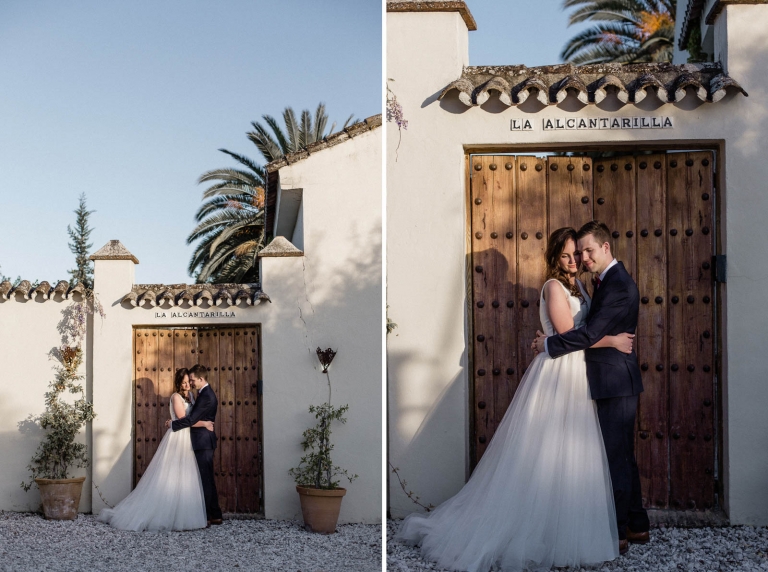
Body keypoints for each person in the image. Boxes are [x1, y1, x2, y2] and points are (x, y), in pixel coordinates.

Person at [397, 226, 633, 571]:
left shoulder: (581, 286)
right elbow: (570, 335)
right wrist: (610, 341)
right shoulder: (553, 287)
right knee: (545, 452)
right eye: (565, 255)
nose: (573, 261)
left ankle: (564, 529)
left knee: (570, 453)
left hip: (577, 374)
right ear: (555, 258)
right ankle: (529, 530)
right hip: (558, 373)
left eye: (576, 254)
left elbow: (586, 328)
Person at [534, 220, 651, 553]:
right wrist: (609, 340)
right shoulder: (598, 282)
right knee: (620, 456)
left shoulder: (616, 284)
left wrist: (547, 344)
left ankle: (619, 533)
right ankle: (637, 525)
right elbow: (587, 330)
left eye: (586, 251)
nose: (581, 259)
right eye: (574, 253)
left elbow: (587, 333)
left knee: (615, 458)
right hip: (599, 379)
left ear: (605, 247)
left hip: (613, 381)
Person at [99, 368, 212, 531]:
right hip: (178, 438)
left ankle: (183, 515)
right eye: (184, 383)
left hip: (188, 438)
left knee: (186, 476)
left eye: (189, 382)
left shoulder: (192, 396)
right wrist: (205, 424)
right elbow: (184, 420)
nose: (187, 385)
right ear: (179, 383)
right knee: (170, 475)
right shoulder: (176, 397)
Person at [167, 363, 223, 525]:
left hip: (203, 441)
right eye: (186, 381)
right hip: (198, 440)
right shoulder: (201, 393)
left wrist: (172, 424)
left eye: (191, 380)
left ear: (201, 379)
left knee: (205, 480)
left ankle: (209, 515)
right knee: (205, 479)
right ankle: (213, 514)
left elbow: (191, 419)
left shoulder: (205, 395)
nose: (190, 383)